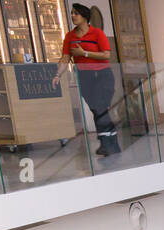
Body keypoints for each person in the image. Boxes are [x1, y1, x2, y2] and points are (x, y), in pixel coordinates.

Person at [52, 4, 118, 157]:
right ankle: (107, 142)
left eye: (76, 13)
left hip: (102, 75)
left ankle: (109, 144)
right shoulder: (70, 36)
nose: (73, 16)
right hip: (85, 77)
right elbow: (66, 57)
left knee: (100, 108)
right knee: (97, 109)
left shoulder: (97, 33)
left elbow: (106, 55)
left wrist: (85, 53)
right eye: (72, 13)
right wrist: (58, 75)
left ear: (84, 16)